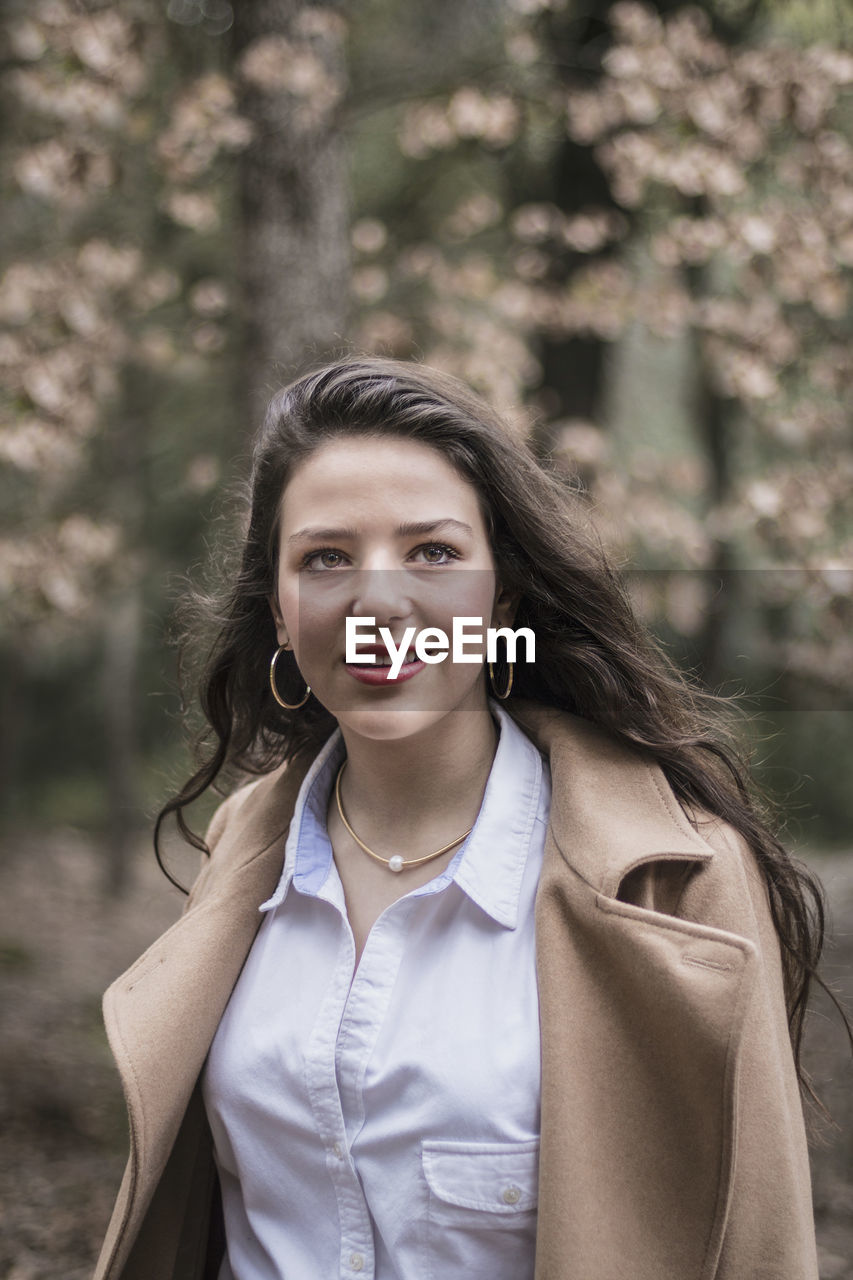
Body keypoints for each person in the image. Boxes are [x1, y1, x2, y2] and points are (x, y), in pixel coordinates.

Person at [95, 356, 827, 1280]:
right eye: (325, 557)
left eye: (433, 553)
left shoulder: (675, 874)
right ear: (280, 611)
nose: (380, 602)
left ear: (502, 597)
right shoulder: (247, 846)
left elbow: (761, 1250)